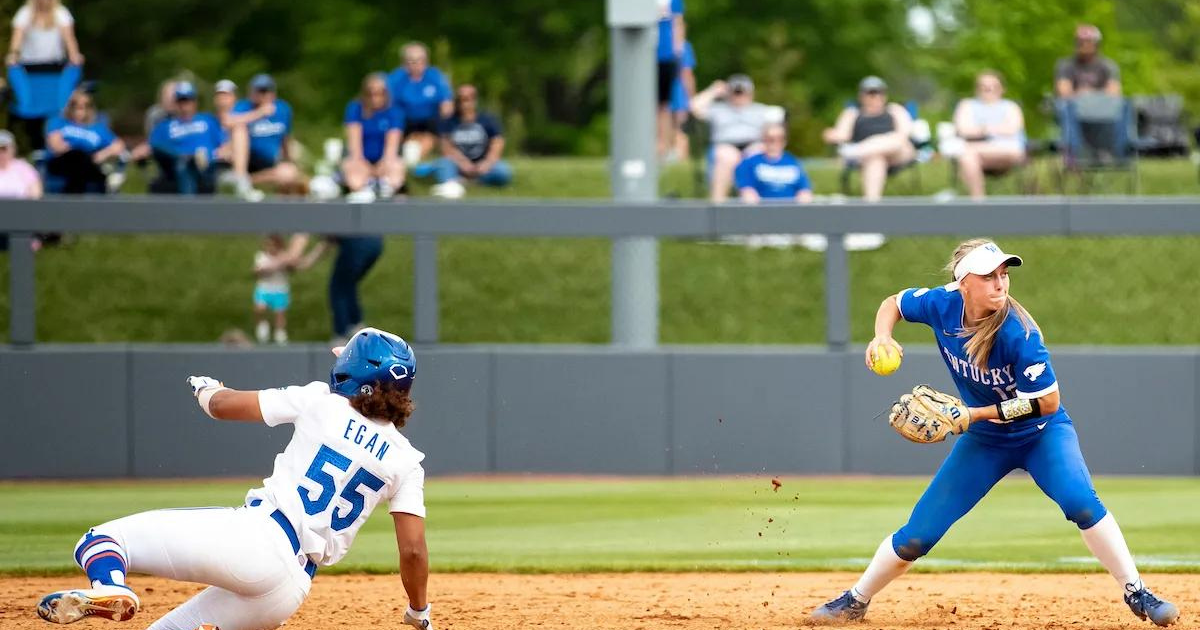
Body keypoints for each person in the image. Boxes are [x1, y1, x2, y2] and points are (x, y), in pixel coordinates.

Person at [810, 239, 1180, 628]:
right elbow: (894, 303)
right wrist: (882, 335)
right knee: (917, 536)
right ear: (964, 282)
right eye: (989, 276)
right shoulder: (942, 304)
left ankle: (1138, 591)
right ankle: (855, 600)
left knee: (1080, 503)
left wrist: (972, 413)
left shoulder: (1019, 333)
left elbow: (1048, 402)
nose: (1000, 283)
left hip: (1041, 434)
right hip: (985, 442)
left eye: (1004, 274)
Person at [35, 327, 436, 630]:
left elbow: (223, 406)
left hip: (258, 540)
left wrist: (205, 388)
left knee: (101, 542)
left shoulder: (321, 400)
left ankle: (111, 587)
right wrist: (419, 612)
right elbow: (414, 552)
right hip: (288, 591)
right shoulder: (408, 460)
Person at [5, 0, 83, 150]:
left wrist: (74, 56)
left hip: (54, 70)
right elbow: (16, 42)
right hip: (30, 70)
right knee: (29, 109)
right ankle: (37, 149)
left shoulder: (61, 14)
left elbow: (70, 40)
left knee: (58, 109)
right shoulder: (24, 14)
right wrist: (13, 55)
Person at [823, 76, 915, 202]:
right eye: (871, 93)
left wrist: (876, 142)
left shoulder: (894, 110)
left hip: (897, 153)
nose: (875, 97)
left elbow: (904, 134)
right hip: (868, 158)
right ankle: (872, 205)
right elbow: (841, 134)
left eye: (879, 92)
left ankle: (857, 150)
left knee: (896, 141)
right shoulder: (853, 113)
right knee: (876, 159)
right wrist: (831, 134)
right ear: (862, 95)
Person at [690, 74, 778, 202]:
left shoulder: (761, 110)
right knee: (727, 156)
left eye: (743, 92)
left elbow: (779, 129)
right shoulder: (717, 109)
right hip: (725, 146)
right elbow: (694, 107)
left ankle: (755, 202)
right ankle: (717, 206)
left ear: (751, 93)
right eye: (736, 92)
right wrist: (713, 91)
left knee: (755, 155)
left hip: (753, 145)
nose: (739, 96)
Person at [1053, 25, 1128, 165]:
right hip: (1075, 110)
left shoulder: (1107, 66)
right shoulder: (1065, 65)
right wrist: (1086, 96)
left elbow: (1115, 92)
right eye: (1079, 42)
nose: (1082, 45)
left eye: (1087, 41)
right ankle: (1076, 153)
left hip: (1103, 111)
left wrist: (1088, 94)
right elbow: (1064, 92)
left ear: (1096, 44)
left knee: (1123, 106)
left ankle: (1118, 152)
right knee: (1066, 108)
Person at [228, 74, 305, 200]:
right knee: (239, 129)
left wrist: (290, 161)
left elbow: (285, 139)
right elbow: (228, 122)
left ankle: (249, 181)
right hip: (247, 160)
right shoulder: (244, 106)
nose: (262, 95)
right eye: (259, 91)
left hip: (269, 162)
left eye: (265, 91)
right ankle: (241, 180)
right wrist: (259, 113)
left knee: (289, 172)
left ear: (273, 93)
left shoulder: (283, 109)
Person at [951, 71, 1025, 200]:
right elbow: (962, 130)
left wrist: (981, 130)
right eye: (983, 86)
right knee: (968, 157)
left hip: (1008, 151)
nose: (988, 89)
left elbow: (1013, 129)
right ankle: (979, 201)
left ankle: (977, 202)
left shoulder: (1011, 107)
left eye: (993, 86)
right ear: (977, 88)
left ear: (1002, 89)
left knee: (966, 154)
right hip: (975, 153)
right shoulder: (967, 105)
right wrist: (995, 130)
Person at [432, 83, 511, 197]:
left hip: (482, 164)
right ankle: (453, 182)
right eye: (461, 100)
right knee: (443, 164)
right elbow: (446, 147)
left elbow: (497, 143)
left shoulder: (487, 119)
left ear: (475, 100)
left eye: (468, 99)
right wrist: (463, 163)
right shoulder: (449, 121)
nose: (464, 104)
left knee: (503, 172)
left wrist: (487, 163)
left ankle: (471, 182)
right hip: (458, 164)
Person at [149, 81, 225, 195]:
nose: (184, 105)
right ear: (176, 103)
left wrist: (222, 152)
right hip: (175, 167)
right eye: (181, 101)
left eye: (188, 100)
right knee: (183, 164)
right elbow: (154, 146)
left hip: (206, 168)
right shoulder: (166, 125)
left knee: (194, 163)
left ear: (195, 102)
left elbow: (223, 143)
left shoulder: (208, 120)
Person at [44, 89, 124, 193]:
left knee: (87, 164)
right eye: (76, 107)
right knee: (77, 156)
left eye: (85, 107)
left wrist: (102, 154)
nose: (80, 111)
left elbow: (118, 145)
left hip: (90, 164)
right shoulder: (58, 122)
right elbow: (56, 145)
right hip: (63, 162)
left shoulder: (98, 128)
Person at [342, 72, 405, 203]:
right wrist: (363, 164)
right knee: (354, 177)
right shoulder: (355, 109)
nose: (374, 98)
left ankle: (381, 187)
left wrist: (382, 165)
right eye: (370, 93)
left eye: (379, 93)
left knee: (395, 170)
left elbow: (391, 147)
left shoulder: (394, 111)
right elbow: (354, 144)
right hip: (361, 158)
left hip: (384, 159)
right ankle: (367, 186)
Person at [388, 42, 452, 166]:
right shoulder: (396, 78)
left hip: (430, 120)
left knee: (433, 133)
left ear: (426, 61)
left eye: (419, 60)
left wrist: (446, 113)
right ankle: (405, 154)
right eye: (410, 61)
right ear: (404, 62)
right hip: (403, 120)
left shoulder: (435, 76)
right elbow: (388, 103)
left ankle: (415, 156)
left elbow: (446, 102)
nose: (415, 64)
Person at [734, 123, 811, 204]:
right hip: (761, 210)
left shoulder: (793, 162)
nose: (775, 142)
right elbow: (747, 191)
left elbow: (804, 189)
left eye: (780, 138)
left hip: (790, 210)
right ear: (764, 140)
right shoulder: (749, 163)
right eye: (771, 139)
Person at [654, 0, 685, 158]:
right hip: (642, 55)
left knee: (664, 105)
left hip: (666, 57)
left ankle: (662, 147)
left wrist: (678, 53)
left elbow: (678, 23)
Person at [253, 234, 293, 345]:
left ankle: (280, 332)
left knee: (279, 312)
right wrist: (262, 270)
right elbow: (256, 271)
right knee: (260, 309)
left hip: (280, 289)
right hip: (265, 288)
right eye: (268, 245)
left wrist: (286, 264)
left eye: (274, 245)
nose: (271, 248)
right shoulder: (261, 257)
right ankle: (262, 326)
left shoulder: (284, 257)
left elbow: (291, 268)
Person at [667, 40, 696, 161]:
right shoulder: (683, 46)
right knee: (680, 128)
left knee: (676, 127)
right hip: (678, 92)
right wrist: (691, 96)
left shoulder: (658, 44)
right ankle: (679, 158)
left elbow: (687, 74)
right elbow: (687, 74)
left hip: (672, 91)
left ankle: (676, 157)